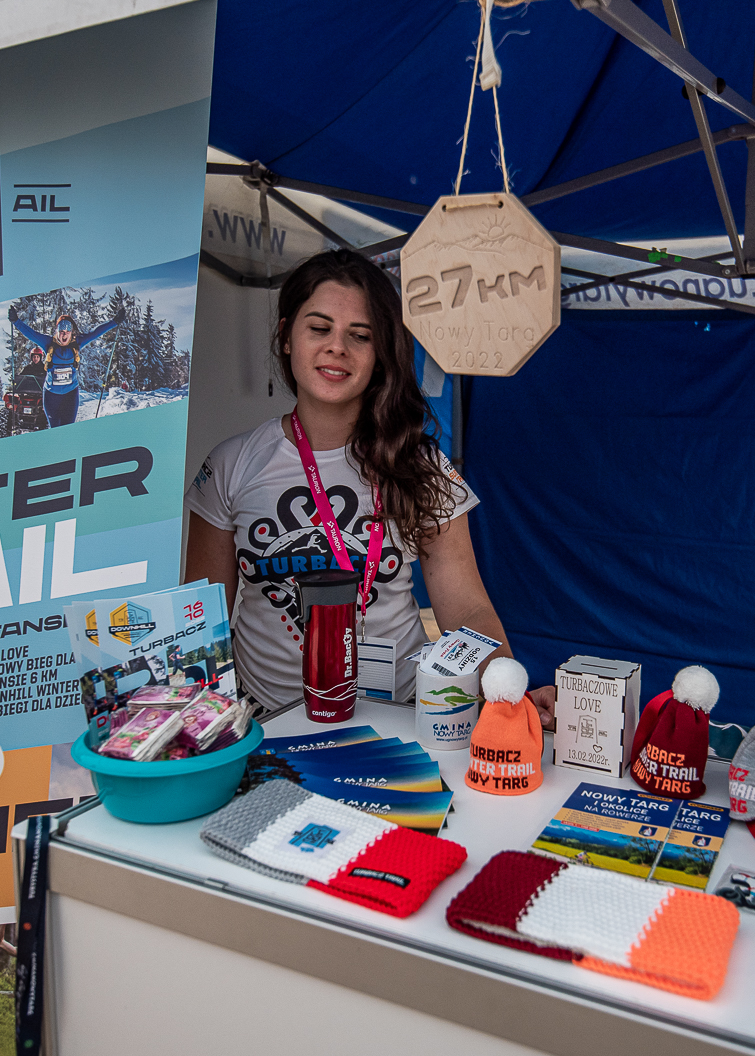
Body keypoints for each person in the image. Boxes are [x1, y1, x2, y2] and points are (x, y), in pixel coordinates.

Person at [183, 249, 558, 725]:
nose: (337, 347)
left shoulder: (420, 465)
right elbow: (201, 622)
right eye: (319, 328)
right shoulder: (230, 464)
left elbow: (467, 610)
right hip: (267, 727)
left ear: (380, 353)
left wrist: (507, 693)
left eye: (360, 336)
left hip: (396, 721)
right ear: (286, 337)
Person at [10, 311, 117, 427]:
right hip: (51, 395)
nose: (64, 335)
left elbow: (95, 333)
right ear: (57, 331)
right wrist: (16, 321)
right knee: (55, 429)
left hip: (70, 395)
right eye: (61, 331)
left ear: (71, 332)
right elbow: (31, 334)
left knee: (68, 428)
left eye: (67, 331)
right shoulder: (48, 344)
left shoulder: (77, 343)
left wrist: (115, 322)